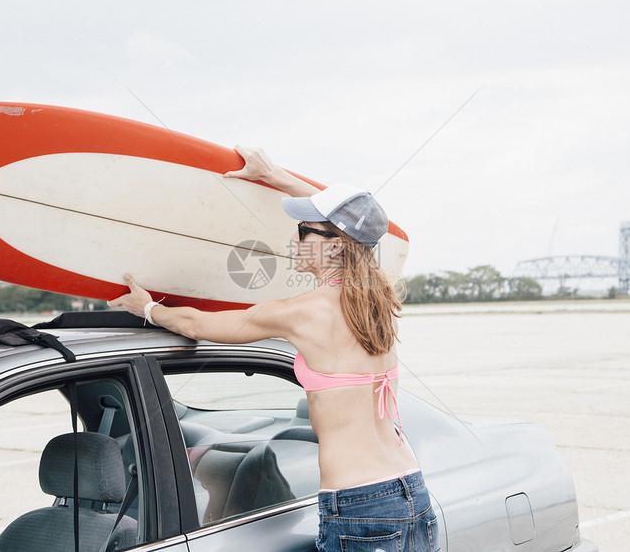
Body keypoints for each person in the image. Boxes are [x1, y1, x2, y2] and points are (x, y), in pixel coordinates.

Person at [108, 146, 439, 551]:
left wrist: (146, 307)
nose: (294, 239)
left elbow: (196, 325)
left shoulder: (300, 313)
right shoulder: (378, 299)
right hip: (411, 491)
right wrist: (274, 175)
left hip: (359, 506)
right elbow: (361, 227)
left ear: (335, 245)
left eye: (303, 232)